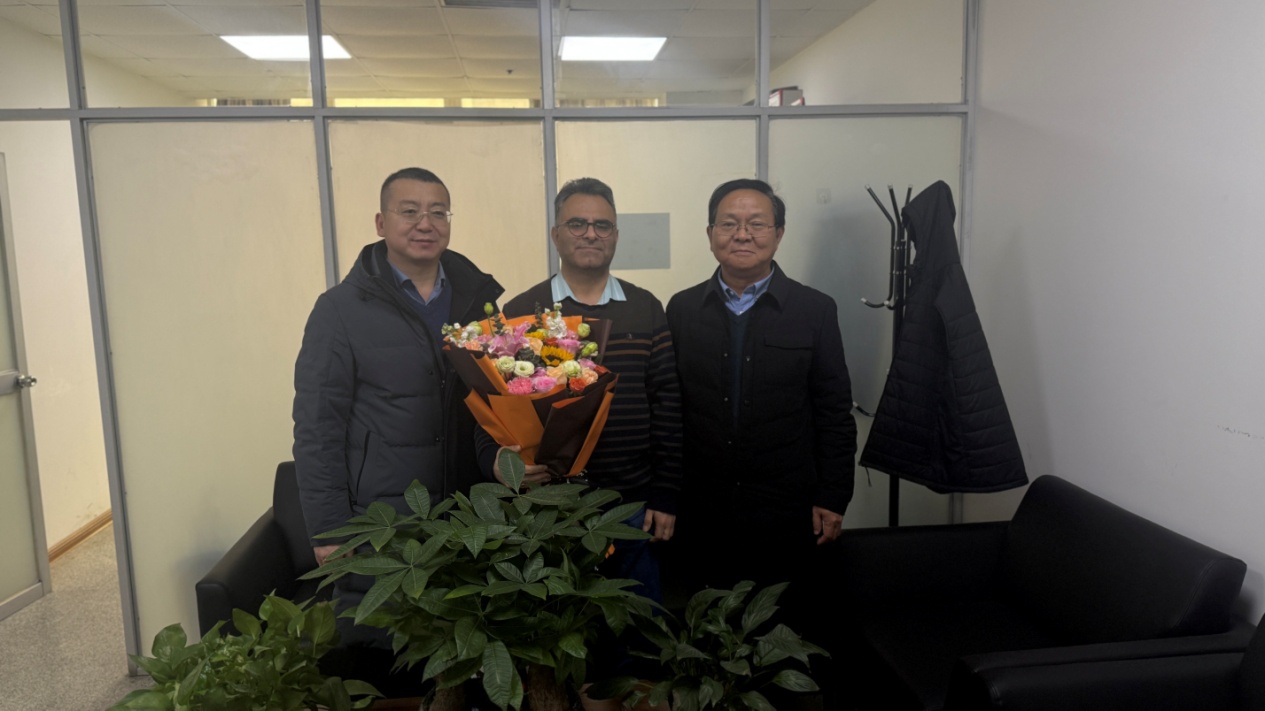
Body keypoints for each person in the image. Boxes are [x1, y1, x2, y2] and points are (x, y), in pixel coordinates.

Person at [291, 167, 504, 687]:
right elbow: (317, 426)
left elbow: (495, 405)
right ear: (381, 222)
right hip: (382, 522)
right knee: (386, 661)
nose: (425, 223)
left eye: (438, 212)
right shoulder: (339, 310)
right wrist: (329, 527)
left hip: (465, 515)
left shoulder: (478, 303)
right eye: (410, 211)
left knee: (462, 662)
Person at [480, 177, 684, 599]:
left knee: (638, 624)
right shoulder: (522, 311)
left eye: (602, 225)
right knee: (560, 626)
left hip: (633, 505)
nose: (591, 233)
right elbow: (492, 403)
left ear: (616, 236)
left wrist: (666, 495)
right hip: (551, 507)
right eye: (577, 224)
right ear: (556, 234)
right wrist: (500, 463)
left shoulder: (645, 307)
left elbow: (667, 403)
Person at [665, 178, 857, 598]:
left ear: (779, 233)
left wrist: (833, 495)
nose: (742, 234)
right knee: (702, 617)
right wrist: (665, 495)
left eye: (757, 224)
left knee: (783, 616)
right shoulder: (682, 309)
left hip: (787, 507)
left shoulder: (815, 310)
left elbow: (834, 413)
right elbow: (669, 409)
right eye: (728, 223)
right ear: (710, 234)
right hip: (701, 506)